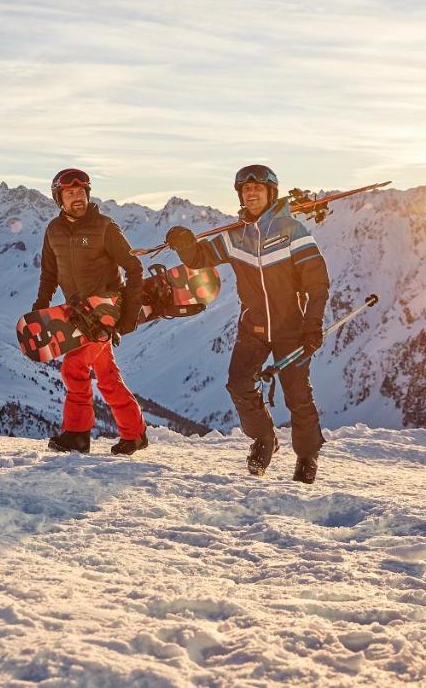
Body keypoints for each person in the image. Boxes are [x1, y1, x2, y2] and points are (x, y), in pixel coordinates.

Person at [164, 164, 330, 483]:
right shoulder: (235, 237)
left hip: (291, 327)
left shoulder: (291, 231)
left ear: (271, 193)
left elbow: (317, 281)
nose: (251, 193)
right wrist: (184, 242)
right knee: (239, 384)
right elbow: (199, 258)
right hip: (252, 325)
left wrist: (313, 323)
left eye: (258, 188)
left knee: (297, 394)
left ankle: (307, 456)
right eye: (245, 189)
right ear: (240, 195)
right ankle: (264, 439)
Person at [33, 167, 148, 455]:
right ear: (59, 198)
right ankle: (135, 434)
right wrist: (40, 309)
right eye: (70, 193)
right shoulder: (53, 230)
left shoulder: (105, 227)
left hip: (106, 306)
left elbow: (134, 268)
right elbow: (49, 274)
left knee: (74, 366)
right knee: (106, 374)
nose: (77, 198)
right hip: (77, 311)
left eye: (81, 192)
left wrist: (129, 312)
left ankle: (77, 434)